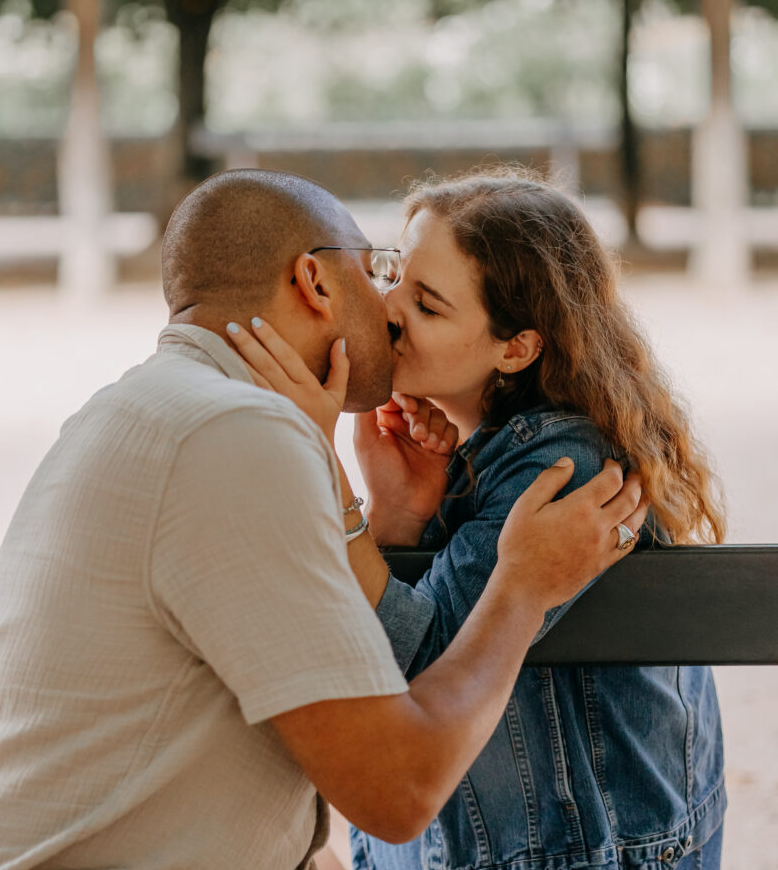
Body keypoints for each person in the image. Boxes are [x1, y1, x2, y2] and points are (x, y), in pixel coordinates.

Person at [0, 169, 646, 870]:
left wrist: (384, 520)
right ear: (315, 282)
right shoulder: (235, 437)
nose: (388, 308)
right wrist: (520, 589)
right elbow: (400, 792)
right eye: (377, 271)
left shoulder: (130, 411)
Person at [229, 168, 727, 870]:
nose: (388, 308)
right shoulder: (467, 454)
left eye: (428, 306)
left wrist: (318, 462)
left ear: (516, 348)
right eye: (395, 274)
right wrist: (396, 517)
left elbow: (422, 683)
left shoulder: (564, 473)